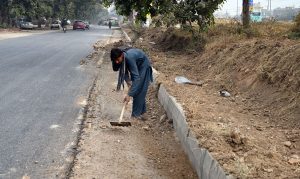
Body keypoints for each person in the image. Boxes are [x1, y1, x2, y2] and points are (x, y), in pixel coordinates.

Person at [111, 47, 153, 120]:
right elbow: (124, 72)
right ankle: (143, 113)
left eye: (117, 59)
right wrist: (129, 82)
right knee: (135, 88)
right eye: (115, 60)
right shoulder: (121, 59)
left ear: (121, 55)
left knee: (139, 89)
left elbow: (136, 79)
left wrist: (129, 95)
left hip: (143, 66)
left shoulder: (129, 58)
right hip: (137, 67)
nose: (116, 62)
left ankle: (135, 116)